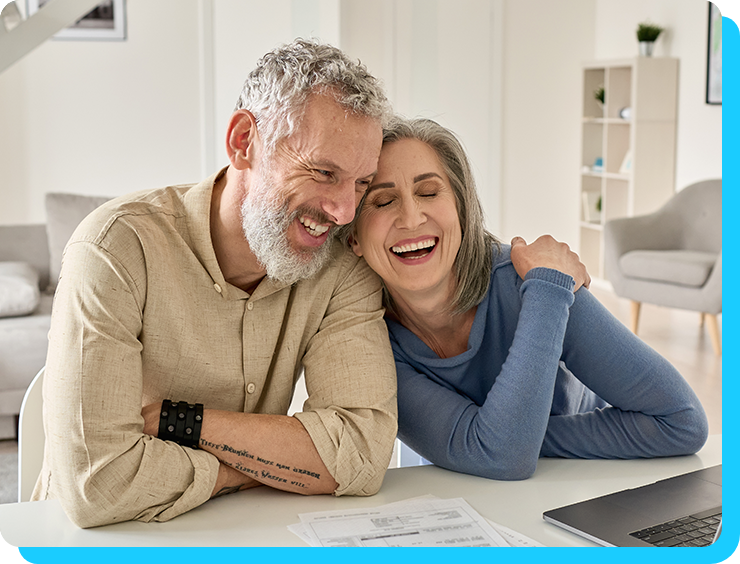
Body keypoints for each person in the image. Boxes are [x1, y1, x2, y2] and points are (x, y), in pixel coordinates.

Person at [32, 39, 398, 528]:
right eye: (323, 172)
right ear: (244, 141)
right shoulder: (115, 247)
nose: (344, 211)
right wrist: (251, 470)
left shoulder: (340, 267)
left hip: (237, 533)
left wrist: (177, 421)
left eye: (360, 183)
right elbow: (98, 484)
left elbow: (361, 452)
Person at [346, 117, 708, 480]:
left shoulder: (538, 283)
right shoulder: (366, 341)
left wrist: (507, 437)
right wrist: (502, 439)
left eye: (428, 192)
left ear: (462, 209)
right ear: (353, 239)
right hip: (460, 498)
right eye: (382, 201)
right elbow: (500, 454)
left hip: (576, 485)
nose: (411, 217)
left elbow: (682, 421)